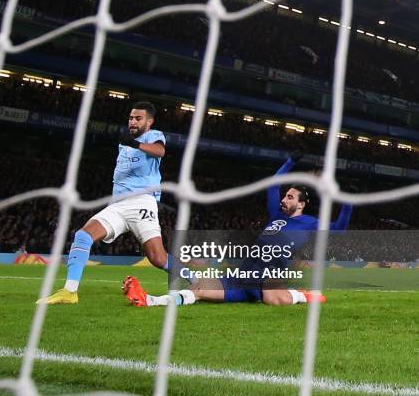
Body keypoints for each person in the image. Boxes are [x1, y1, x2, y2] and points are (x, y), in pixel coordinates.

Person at [123, 152, 353, 307]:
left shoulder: (310, 223)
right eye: (285, 195)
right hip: (242, 276)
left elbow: (339, 230)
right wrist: (290, 162)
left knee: (272, 298)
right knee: (199, 287)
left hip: (267, 279)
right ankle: (149, 300)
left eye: (290, 196)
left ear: (301, 204)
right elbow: (273, 184)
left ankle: (301, 296)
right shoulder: (276, 215)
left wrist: (348, 201)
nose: (284, 199)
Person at [37, 101, 171, 304]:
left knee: (158, 259)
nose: (132, 121)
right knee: (83, 235)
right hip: (117, 205)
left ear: (149, 121)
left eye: (138, 118)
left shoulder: (153, 136)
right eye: (131, 118)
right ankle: (69, 292)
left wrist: (134, 144)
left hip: (142, 203)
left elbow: (160, 151)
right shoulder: (123, 143)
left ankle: (194, 278)